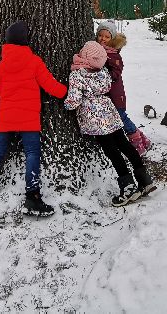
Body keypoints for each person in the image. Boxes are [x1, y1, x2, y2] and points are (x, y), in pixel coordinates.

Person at [0, 20, 67, 217]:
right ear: (25, 40)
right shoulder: (34, 61)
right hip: (29, 119)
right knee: (32, 153)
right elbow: (50, 86)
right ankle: (32, 196)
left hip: (6, 118)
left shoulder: (4, 63)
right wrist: (66, 91)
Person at [65, 40, 157, 206]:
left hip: (95, 121)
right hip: (111, 113)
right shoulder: (103, 72)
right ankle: (145, 180)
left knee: (112, 152)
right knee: (125, 145)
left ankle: (128, 188)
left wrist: (66, 105)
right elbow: (108, 87)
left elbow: (74, 100)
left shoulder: (77, 75)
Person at [96, 21, 150, 156]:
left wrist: (105, 74)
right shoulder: (96, 50)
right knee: (119, 119)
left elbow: (116, 72)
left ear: (112, 39)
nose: (103, 39)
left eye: (107, 37)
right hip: (107, 95)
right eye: (100, 35)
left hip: (115, 95)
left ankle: (137, 143)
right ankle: (143, 139)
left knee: (121, 118)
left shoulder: (113, 54)